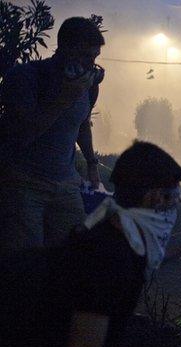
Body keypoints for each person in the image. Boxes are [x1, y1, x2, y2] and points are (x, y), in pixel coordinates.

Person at [1, 142, 181, 347]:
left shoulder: (113, 238)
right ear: (153, 199)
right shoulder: (108, 260)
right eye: (172, 200)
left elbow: (162, 250)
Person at [0, 17, 105, 252]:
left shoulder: (88, 86)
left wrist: (91, 163)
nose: (92, 65)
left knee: (71, 255)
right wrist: (65, 97)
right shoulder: (26, 78)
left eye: (95, 58)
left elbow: (82, 124)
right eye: (87, 56)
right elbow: (22, 134)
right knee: (25, 262)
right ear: (66, 48)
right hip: (23, 184)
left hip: (66, 185)